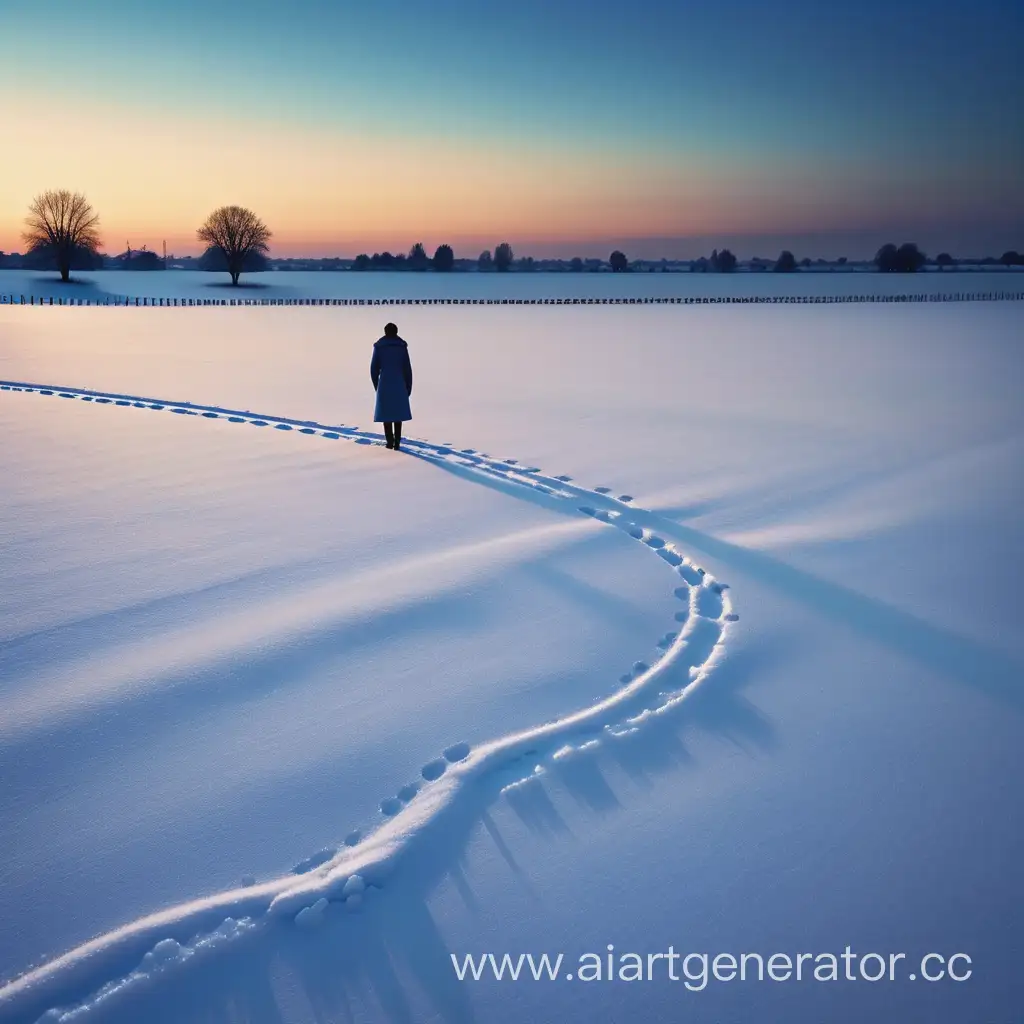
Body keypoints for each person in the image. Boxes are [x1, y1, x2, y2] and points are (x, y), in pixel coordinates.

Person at [370, 322, 413, 450]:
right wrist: (408, 386)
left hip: (384, 383)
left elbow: (373, 369)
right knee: (397, 414)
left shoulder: (379, 347)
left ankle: (389, 442)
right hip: (400, 383)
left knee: (387, 414)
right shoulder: (402, 347)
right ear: (396, 332)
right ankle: (397, 442)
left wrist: (377, 385)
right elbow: (407, 368)